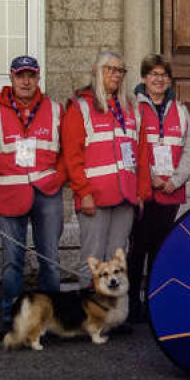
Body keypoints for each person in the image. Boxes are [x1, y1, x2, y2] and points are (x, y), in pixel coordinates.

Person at [0, 55, 66, 340]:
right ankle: (11, 317)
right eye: (20, 75)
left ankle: (49, 319)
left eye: (31, 75)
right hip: (8, 193)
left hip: (47, 194)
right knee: (12, 261)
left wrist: (58, 178)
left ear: (38, 78)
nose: (26, 81)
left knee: (49, 260)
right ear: (11, 78)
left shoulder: (55, 109)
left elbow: (68, 151)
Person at [62, 51, 139, 288]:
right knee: (93, 260)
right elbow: (72, 157)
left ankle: (112, 317)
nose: (116, 75)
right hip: (94, 196)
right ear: (97, 71)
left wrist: (138, 192)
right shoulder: (80, 107)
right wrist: (83, 192)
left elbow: (138, 153)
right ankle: (91, 318)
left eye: (120, 70)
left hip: (124, 196)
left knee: (117, 260)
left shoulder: (129, 107)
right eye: (110, 69)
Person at [130, 54, 190, 322]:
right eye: (153, 74)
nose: (159, 79)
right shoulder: (133, 109)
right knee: (138, 249)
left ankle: (154, 302)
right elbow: (130, 149)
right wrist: (153, 177)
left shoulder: (180, 110)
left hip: (171, 192)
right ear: (144, 78)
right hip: (145, 192)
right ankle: (132, 304)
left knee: (160, 250)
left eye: (163, 75)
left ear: (169, 79)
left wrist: (175, 180)